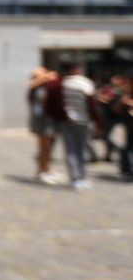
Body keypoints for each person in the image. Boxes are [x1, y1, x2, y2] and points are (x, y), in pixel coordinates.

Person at [46, 61, 98, 190]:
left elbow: (52, 103)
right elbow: (92, 105)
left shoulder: (61, 84)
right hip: (83, 121)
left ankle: (74, 178)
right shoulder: (85, 83)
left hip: (67, 120)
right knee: (81, 150)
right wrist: (96, 121)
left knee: (70, 150)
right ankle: (82, 177)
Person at [28, 67, 59, 184]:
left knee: (47, 147)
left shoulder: (43, 86)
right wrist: (46, 76)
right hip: (41, 120)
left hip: (46, 120)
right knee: (43, 148)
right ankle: (42, 171)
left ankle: (46, 169)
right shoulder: (35, 87)